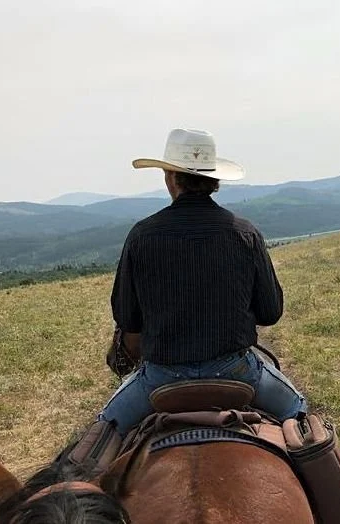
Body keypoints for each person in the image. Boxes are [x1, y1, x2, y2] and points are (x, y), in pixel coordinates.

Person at [98, 128, 307, 436]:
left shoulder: (141, 235)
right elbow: (270, 312)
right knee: (299, 414)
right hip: (237, 372)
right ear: (214, 180)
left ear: (171, 177)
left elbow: (127, 318)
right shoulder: (245, 232)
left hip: (160, 378)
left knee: (101, 433)